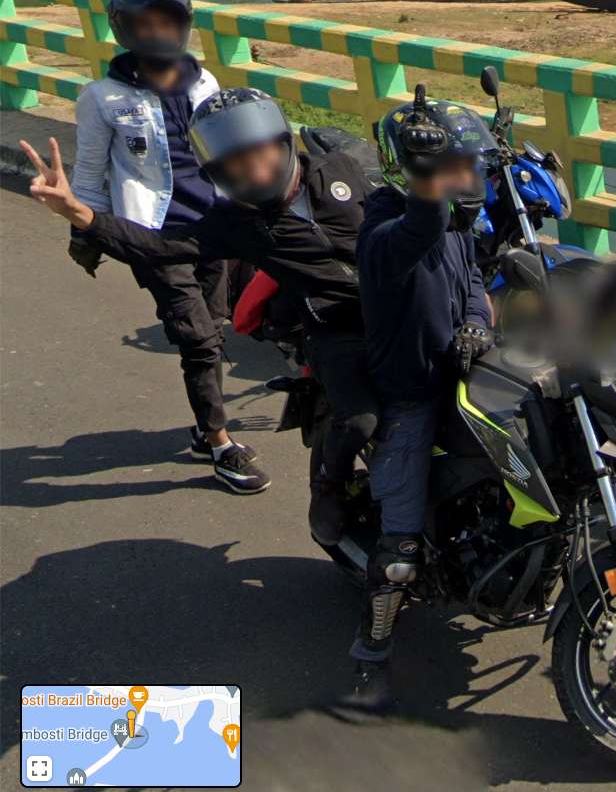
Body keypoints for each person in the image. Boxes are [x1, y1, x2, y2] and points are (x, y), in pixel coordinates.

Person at [21, 88, 381, 545]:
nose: (254, 171)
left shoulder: (340, 168)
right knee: (363, 418)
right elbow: (158, 247)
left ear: (282, 142)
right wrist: (79, 213)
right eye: (236, 165)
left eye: (260, 154)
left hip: (400, 307)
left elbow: (409, 201)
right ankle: (330, 484)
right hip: (335, 327)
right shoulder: (236, 222)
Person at [62, 0, 268, 493]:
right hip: (152, 234)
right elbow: (89, 174)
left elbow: (227, 152)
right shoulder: (103, 97)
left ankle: (204, 425)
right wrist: (86, 233)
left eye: (167, 22)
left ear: (183, 25)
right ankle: (221, 444)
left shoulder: (204, 83)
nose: (157, 33)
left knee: (214, 329)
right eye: (145, 24)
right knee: (198, 339)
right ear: (125, 30)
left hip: (214, 226)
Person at [343, 92, 495, 711]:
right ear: (409, 170)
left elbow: (475, 278)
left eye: (468, 166)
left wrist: (478, 323)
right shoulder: (383, 230)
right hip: (412, 392)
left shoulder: (456, 223)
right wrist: (428, 180)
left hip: (464, 377)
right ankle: (370, 652)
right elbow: (419, 229)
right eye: (449, 168)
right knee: (399, 550)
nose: (465, 178)